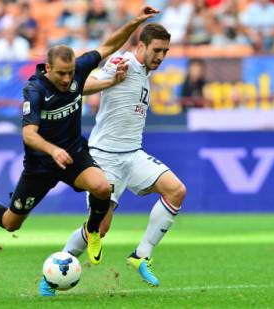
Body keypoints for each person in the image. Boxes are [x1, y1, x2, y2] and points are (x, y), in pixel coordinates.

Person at [0, 6, 160, 296]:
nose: (67, 79)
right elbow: (29, 134)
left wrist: (135, 23)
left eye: (70, 73)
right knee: (11, 223)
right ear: (47, 69)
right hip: (41, 164)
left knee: (102, 187)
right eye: (61, 74)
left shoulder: (78, 70)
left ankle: (92, 231)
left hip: (75, 153)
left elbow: (109, 45)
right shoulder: (34, 90)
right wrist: (52, 151)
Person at [60, 23, 187, 292]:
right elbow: (80, 86)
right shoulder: (123, 61)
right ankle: (59, 266)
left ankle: (141, 255)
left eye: (165, 51)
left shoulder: (145, 71)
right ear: (141, 46)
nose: (161, 57)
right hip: (106, 158)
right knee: (100, 228)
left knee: (176, 191)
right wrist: (110, 79)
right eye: (157, 50)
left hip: (133, 154)